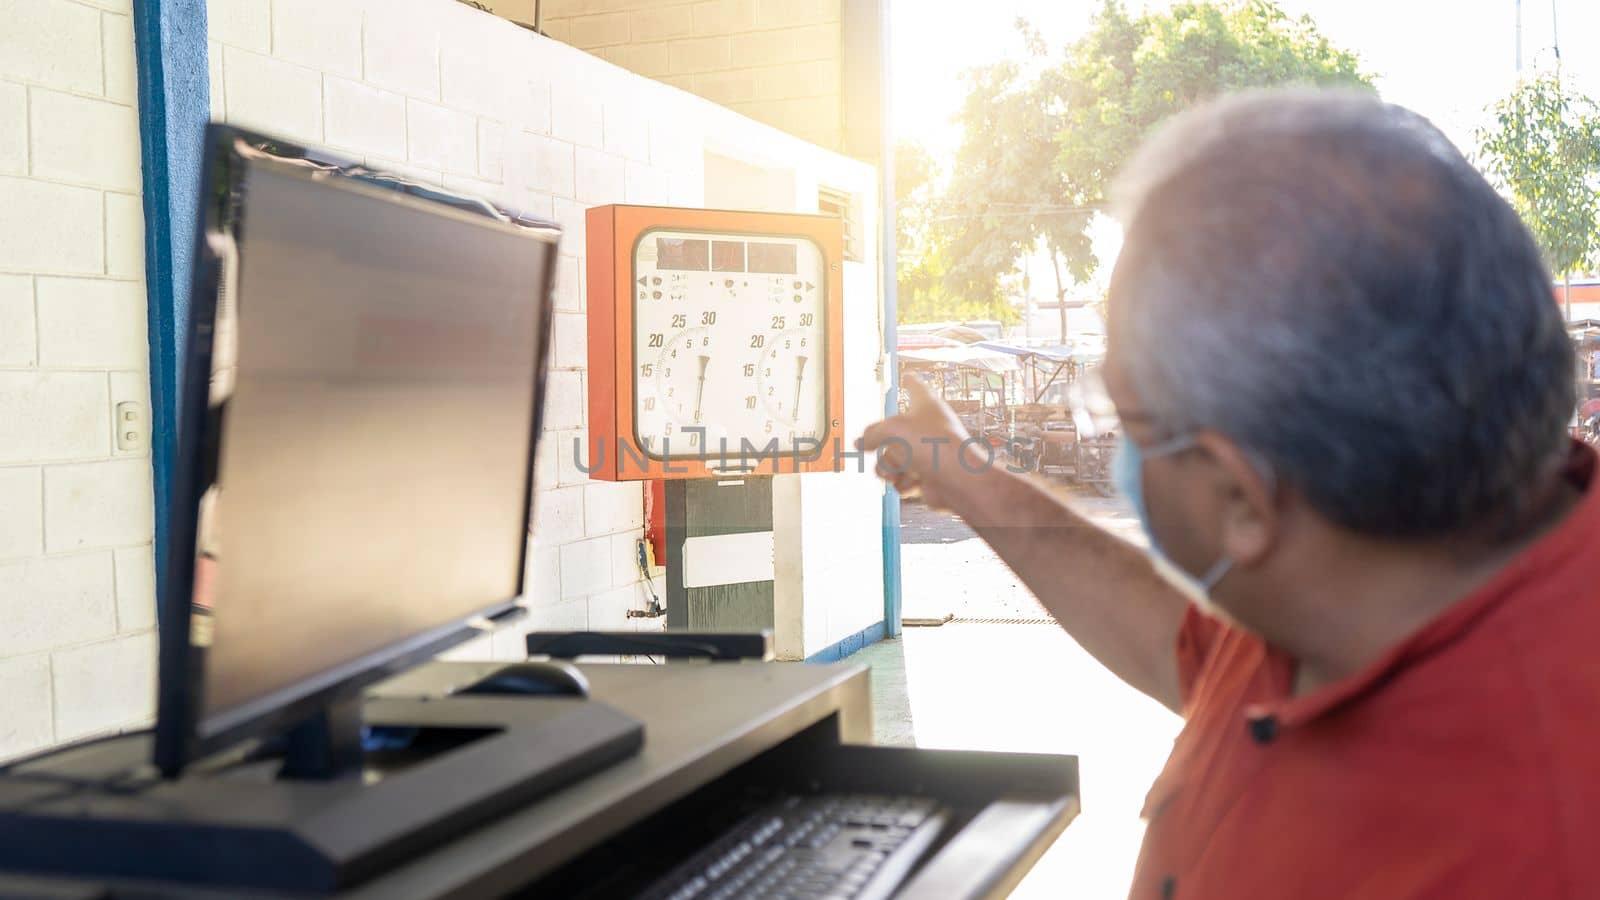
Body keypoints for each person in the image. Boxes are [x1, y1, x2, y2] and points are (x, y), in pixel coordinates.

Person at [862, 89, 1600, 899]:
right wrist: (968, 476)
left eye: (1121, 411)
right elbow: (1192, 659)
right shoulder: (1359, 571)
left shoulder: (1531, 847)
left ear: (1242, 500)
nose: (1116, 445)